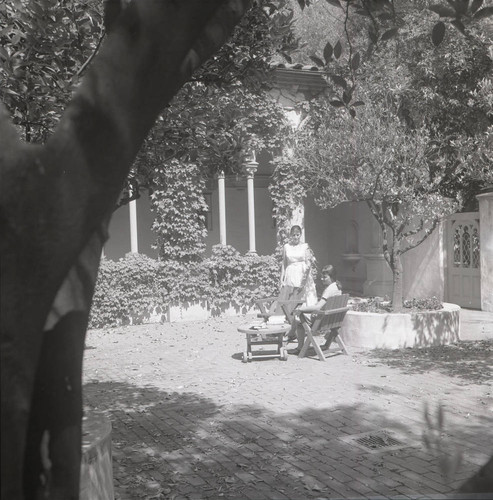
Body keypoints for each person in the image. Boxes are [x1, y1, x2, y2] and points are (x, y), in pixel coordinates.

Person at [290, 264, 342, 355]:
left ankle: (299, 347)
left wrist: (302, 309)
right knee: (301, 316)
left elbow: (318, 307)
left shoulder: (329, 290)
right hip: (332, 320)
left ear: (331, 277)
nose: (322, 279)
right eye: (322, 277)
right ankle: (291, 335)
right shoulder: (337, 287)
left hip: (321, 321)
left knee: (298, 319)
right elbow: (323, 305)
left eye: (325, 277)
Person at [279, 225, 317, 307]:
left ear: (300, 235)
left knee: (303, 294)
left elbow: (308, 264)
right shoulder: (286, 247)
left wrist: (305, 278)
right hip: (290, 274)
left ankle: (305, 315)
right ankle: (290, 315)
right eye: (293, 235)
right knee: (291, 295)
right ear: (290, 235)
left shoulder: (305, 246)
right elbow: (284, 264)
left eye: (297, 235)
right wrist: (281, 278)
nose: (296, 237)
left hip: (302, 273)